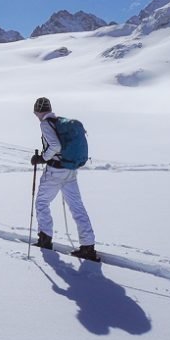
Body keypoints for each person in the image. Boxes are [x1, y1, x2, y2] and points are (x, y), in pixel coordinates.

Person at [31, 96, 99, 261]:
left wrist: (43, 158)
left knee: (41, 202)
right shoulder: (59, 122)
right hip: (70, 170)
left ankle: (45, 239)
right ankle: (88, 246)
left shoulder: (46, 124)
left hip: (55, 171)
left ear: (38, 111)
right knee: (77, 207)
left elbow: (55, 146)